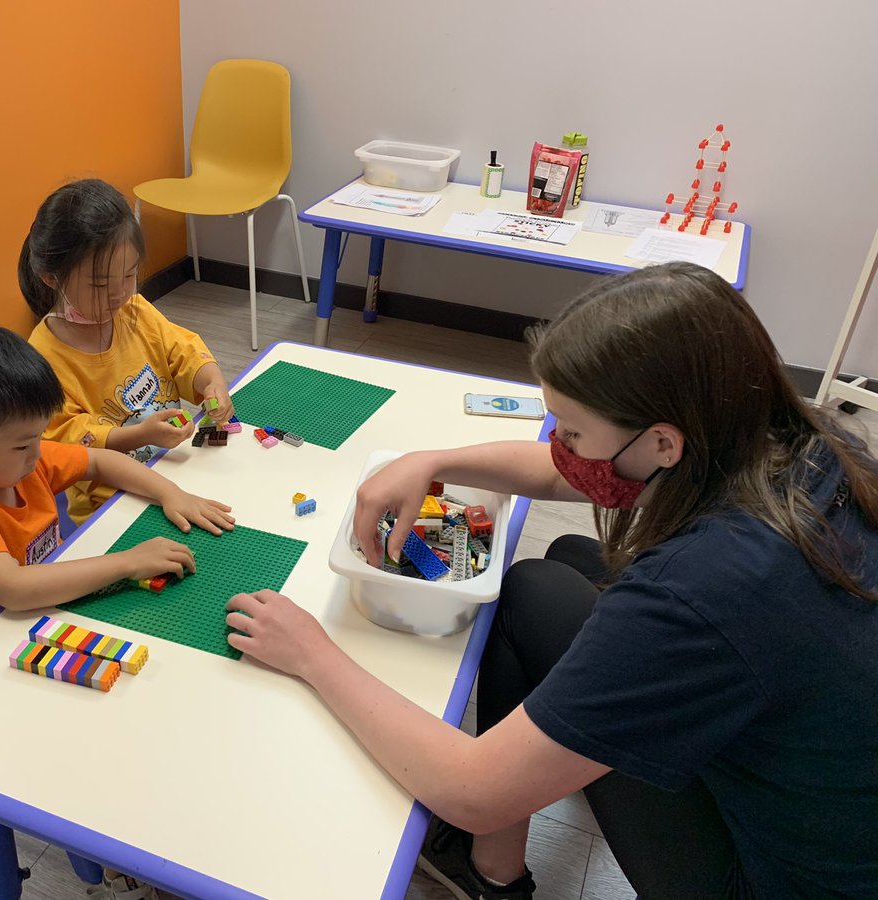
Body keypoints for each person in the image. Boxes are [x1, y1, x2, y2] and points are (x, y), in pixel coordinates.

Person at [223, 262, 878, 900]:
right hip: (832, 803)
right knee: (568, 555)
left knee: (529, 596)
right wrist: (432, 459)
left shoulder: (700, 589)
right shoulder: (799, 442)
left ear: (663, 444)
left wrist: (312, 653)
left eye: (572, 431)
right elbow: (567, 471)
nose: (560, 447)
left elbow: (473, 790)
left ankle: (494, 877)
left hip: (778, 880)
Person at [0, 325, 234, 655]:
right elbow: (14, 589)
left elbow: (100, 461)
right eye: (23, 446)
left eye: (38, 437)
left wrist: (171, 493)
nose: (38, 454)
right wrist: (128, 563)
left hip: (52, 602)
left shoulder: (9, 458)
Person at [21, 178, 235, 525]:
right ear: (51, 278)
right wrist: (141, 434)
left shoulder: (134, 311)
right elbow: (72, 442)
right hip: (109, 503)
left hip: (175, 472)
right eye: (101, 284)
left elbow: (182, 351)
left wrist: (212, 383)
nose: (119, 293)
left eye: (130, 275)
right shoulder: (42, 360)